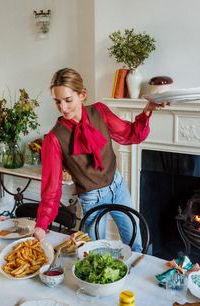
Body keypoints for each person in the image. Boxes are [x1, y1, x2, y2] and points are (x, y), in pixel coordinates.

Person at [34, 68, 167, 251]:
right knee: (95, 252)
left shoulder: (100, 112)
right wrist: (41, 225)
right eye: (57, 102)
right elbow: (51, 189)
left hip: (118, 186)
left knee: (136, 243)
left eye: (68, 100)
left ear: (82, 95)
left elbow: (129, 134)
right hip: (91, 198)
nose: (63, 108)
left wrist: (147, 111)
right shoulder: (54, 139)